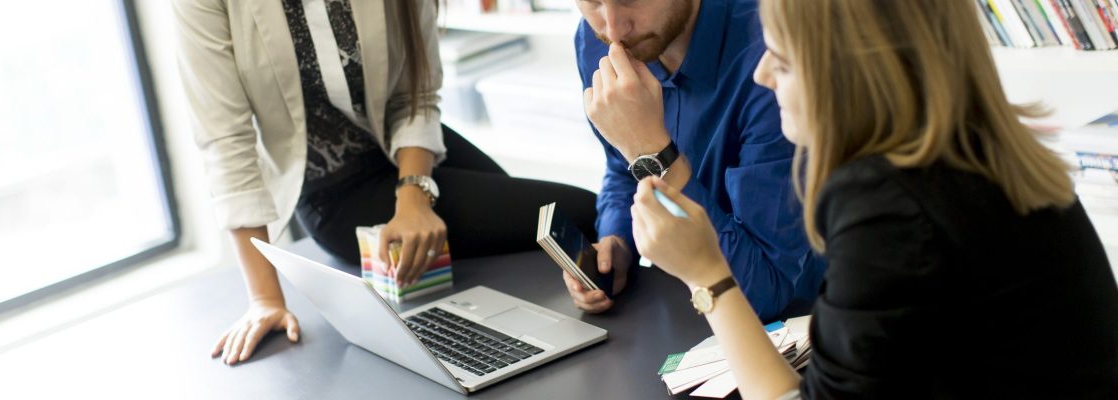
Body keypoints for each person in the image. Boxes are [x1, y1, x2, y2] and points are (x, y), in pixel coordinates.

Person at [632, 0, 1118, 398]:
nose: (761, 76)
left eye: (780, 59)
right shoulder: (981, 152)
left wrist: (708, 276)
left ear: (849, 73)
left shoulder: (888, 204)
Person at [174, 0, 597, 366]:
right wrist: (265, 299)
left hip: (410, 144)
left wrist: (414, 198)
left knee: (555, 232)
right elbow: (225, 140)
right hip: (335, 188)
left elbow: (417, 91)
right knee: (571, 216)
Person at [567, 0, 824, 320]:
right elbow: (623, 167)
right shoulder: (595, 41)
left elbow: (765, 292)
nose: (614, 28)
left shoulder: (772, 55)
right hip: (681, 304)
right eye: (592, 3)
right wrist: (618, 239)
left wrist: (651, 151)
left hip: (797, 323)